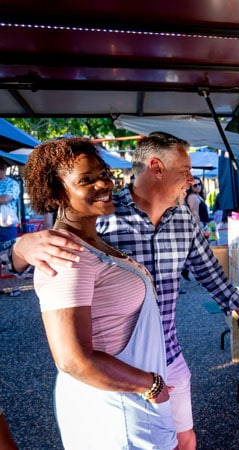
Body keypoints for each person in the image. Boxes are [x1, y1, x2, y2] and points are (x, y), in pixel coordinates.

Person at [11, 131, 239, 450]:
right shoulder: (99, 218)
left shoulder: (183, 219)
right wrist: (19, 247)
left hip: (169, 356)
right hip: (121, 371)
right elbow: (72, 352)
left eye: (103, 175)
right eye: (185, 170)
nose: (191, 179)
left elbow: (211, 274)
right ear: (157, 167)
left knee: (185, 440)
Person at [23, 138, 177, 449]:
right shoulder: (67, 256)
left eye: (102, 173)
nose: (103, 184)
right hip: (116, 413)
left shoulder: (93, 242)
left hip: (131, 403)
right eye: (86, 180)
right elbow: (73, 360)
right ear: (56, 193)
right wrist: (151, 385)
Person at [0, 159, 22, 297]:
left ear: (3, 169)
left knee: (12, 257)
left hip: (8, 226)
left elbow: (6, 198)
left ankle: (15, 287)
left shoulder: (12, 183)